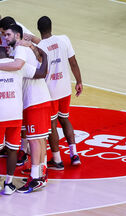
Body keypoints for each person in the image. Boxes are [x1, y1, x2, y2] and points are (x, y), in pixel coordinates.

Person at [0, 25, 49, 193]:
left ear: (17, 35)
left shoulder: (18, 49)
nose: (5, 37)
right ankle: (36, 175)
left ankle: (35, 177)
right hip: (21, 109)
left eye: (7, 34)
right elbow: (41, 71)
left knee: (33, 139)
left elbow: (18, 65)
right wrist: (42, 52)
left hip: (32, 101)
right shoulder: (17, 55)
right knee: (36, 139)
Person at [37, 16, 83, 169]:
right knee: (65, 119)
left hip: (50, 91)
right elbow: (73, 62)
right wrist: (79, 81)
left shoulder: (40, 46)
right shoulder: (64, 39)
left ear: (39, 29)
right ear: (51, 27)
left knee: (52, 125)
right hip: (65, 88)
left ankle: (57, 160)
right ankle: (74, 154)